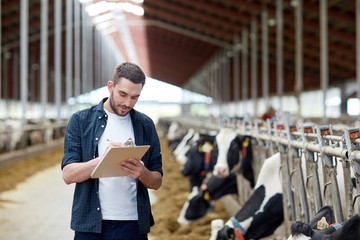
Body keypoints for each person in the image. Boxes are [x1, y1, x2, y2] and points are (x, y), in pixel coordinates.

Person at [61, 62, 163, 240]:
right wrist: (103, 159)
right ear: (110, 86)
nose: (127, 103)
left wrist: (143, 172)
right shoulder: (81, 120)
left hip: (133, 225)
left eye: (134, 97)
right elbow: (68, 175)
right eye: (122, 94)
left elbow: (157, 182)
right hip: (90, 225)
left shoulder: (146, 125)